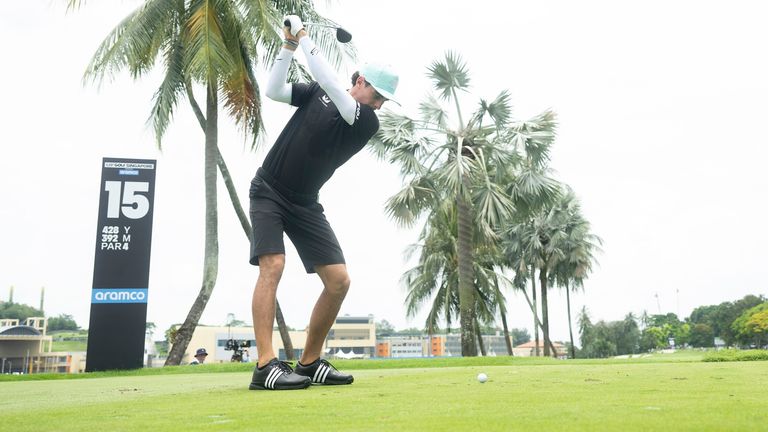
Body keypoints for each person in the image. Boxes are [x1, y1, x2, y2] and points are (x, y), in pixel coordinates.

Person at [247, 15, 398, 391]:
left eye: (383, 100)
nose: (380, 105)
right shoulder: (319, 92)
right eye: (378, 95)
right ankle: (265, 365)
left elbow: (329, 78)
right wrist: (288, 45)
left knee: (338, 281)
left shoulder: (364, 120)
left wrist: (303, 36)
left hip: (305, 205)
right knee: (273, 266)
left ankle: (310, 361)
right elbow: (274, 89)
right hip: (268, 190)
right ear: (361, 81)